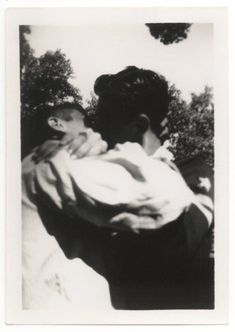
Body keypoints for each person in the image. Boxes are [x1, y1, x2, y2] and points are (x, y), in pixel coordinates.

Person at [26, 67, 214, 310]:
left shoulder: (194, 173)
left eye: (103, 121)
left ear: (138, 127)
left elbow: (162, 258)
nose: (96, 130)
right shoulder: (92, 176)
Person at [22, 103, 112, 309]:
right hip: (59, 304)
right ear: (56, 123)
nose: (93, 131)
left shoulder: (29, 163)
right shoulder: (56, 160)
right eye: (86, 122)